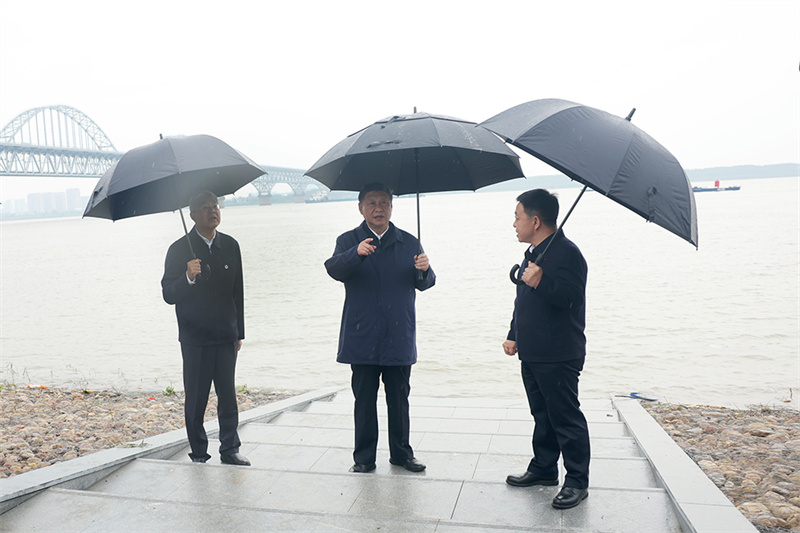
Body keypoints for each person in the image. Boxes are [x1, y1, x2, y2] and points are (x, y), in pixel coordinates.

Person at [325, 182, 435, 474]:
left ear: (391, 207)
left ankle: (402, 455)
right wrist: (356, 254)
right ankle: (363, 458)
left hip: (399, 334)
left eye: (384, 203)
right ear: (360, 208)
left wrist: (425, 269)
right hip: (362, 334)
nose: (378, 208)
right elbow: (333, 269)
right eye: (372, 203)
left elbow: (425, 283)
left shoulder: (409, 241)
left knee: (399, 399)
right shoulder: (348, 240)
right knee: (364, 400)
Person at [502, 189, 590, 509]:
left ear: (535, 221)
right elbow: (522, 301)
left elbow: (571, 299)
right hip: (533, 350)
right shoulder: (534, 252)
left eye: (517, 216)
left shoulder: (567, 254)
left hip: (559, 352)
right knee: (542, 414)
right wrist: (514, 334)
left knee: (565, 417)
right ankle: (543, 468)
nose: (514, 223)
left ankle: (577, 481)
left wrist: (543, 282)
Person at [161, 190, 250, 466]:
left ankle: (230, 448)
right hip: (195, 336)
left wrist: (240, 332)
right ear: (192, 215)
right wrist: (187, 277)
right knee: (196, 397)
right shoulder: (179, 250)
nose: (212, 211)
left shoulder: (231, 245)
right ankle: (199, 451)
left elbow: (238, 292)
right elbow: (168, 294)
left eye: (215, 206)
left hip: (226, 334)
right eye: (205, 207)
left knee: (228, 395)